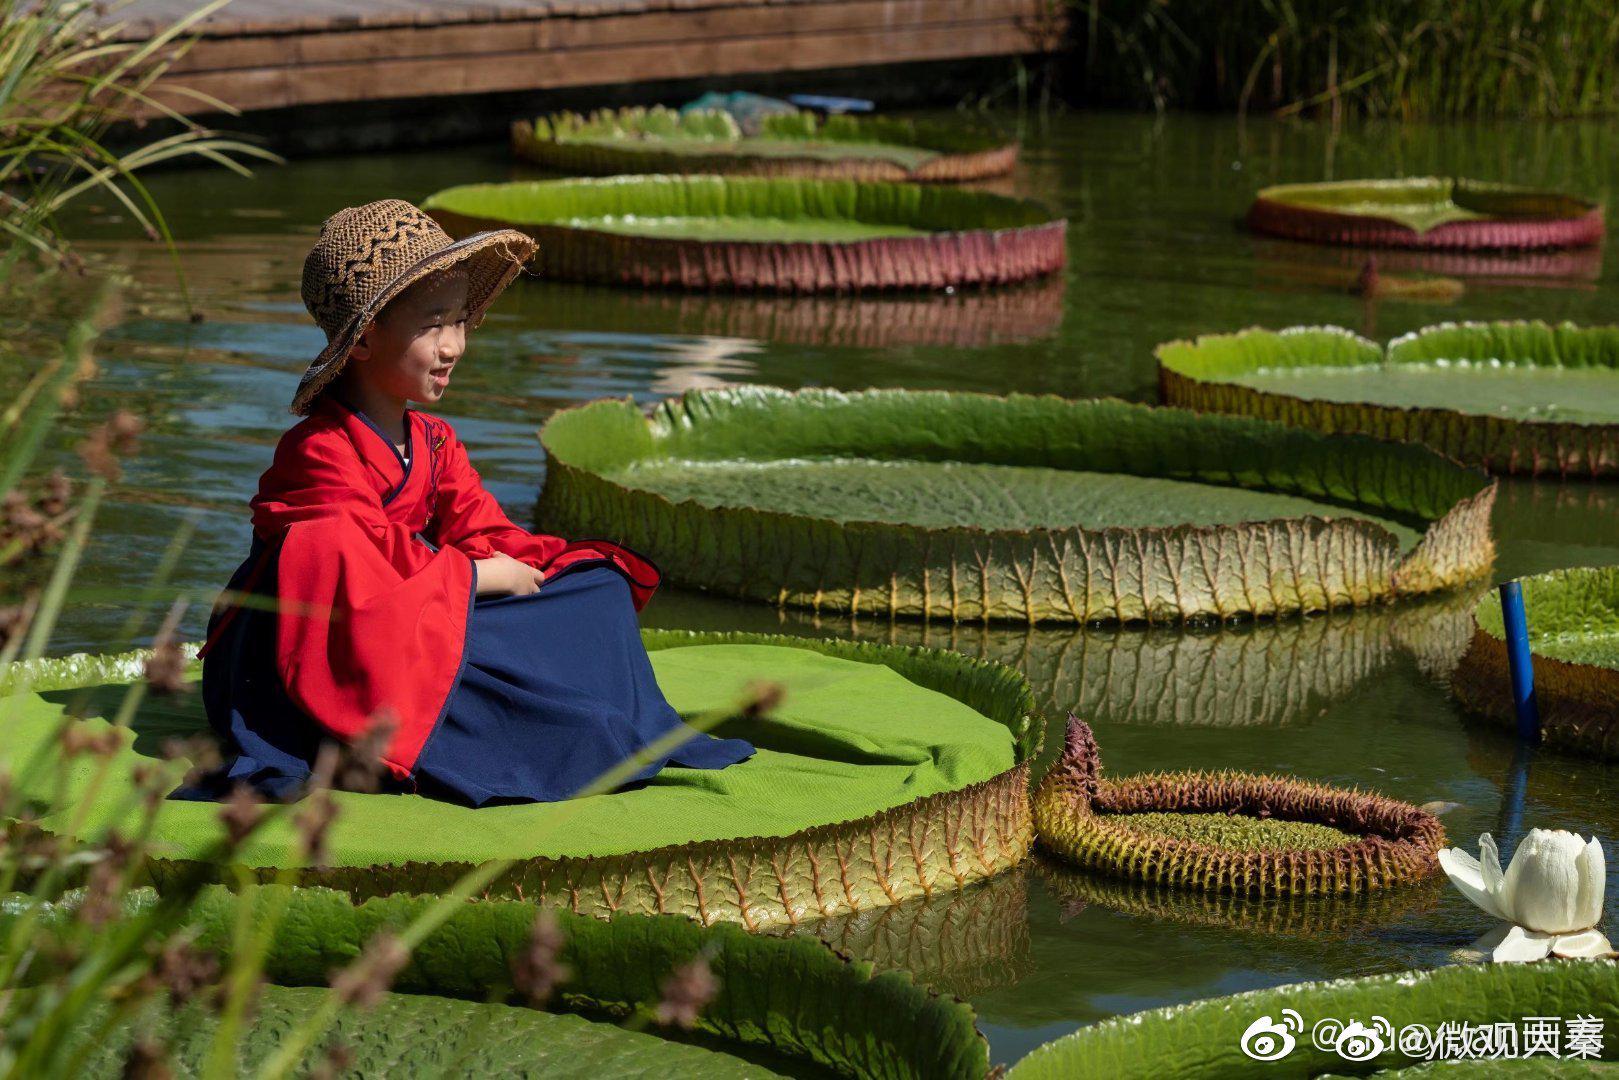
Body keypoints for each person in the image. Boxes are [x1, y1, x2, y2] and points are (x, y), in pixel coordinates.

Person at [172, 199, 753, 807]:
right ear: (366, 339)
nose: (454, 346)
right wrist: (476, 576)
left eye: (459, 321)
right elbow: (352, 568)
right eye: (432, 324)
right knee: (373, 573)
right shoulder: (319, 449)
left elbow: (483, 527)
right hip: (309, 652)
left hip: (408, 610)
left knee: (595, 589)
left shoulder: (434, 440)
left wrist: (538, 570)